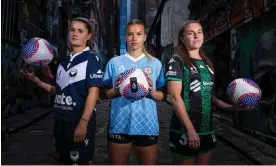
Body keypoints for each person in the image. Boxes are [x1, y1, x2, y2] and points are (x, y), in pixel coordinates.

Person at [20, 17, 103, 165]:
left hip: (77, 122)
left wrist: (83, 123)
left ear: (89, 36)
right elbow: (56, 91)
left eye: (80, 31)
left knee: (81, 162)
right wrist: (37, 81)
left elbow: (93, 93)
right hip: (60, 123)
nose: (75, 34)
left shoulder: (92, 59)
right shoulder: (63, 61)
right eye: (72, 30)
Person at [165, 20, 243, 165]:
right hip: (185, 129)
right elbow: (175, 98)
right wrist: (190, 130)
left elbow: (206, 93)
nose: (196, 36)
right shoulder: (177, 61)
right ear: (182, 38)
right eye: (190, 33)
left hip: (207, 128)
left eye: (199, 32)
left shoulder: (207, 62)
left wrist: (227, 107)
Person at [103, 19, 165, 165]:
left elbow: (163, 94)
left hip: (147, 125)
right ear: (125, 37)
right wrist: (116, 91)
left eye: (138, 34)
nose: (134, 38)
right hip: (119, 123)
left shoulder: (155, 63)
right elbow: (103, 93)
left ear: (144, 36)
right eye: (130, 34)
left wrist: (150, 92)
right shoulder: (114, 63)